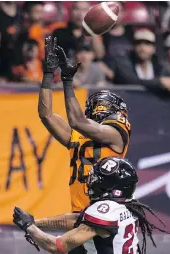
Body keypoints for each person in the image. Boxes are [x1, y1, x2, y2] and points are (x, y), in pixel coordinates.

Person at [39, 35, 131, 214]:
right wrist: (48, 75)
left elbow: (76, 121)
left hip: (108, 215)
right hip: (80, 213)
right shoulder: (78, 136)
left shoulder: (117, 133)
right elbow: (46, 115)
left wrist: (67, 82)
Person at [13, 157, 168, 254]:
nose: (91, 183)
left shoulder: (105, 212)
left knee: (75, 250)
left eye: (97, 180)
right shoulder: (128, 205)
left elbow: (57, 247)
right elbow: (76, 220)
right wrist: (37, 222)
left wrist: (28, 227)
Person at [106, 29, 170, 93]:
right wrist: (159, 82)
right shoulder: (123, 63)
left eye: (147, 44)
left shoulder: (158, 66)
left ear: (153, 49)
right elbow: (132, 81)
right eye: (138, 43)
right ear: (133, 47)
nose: (142, 48)